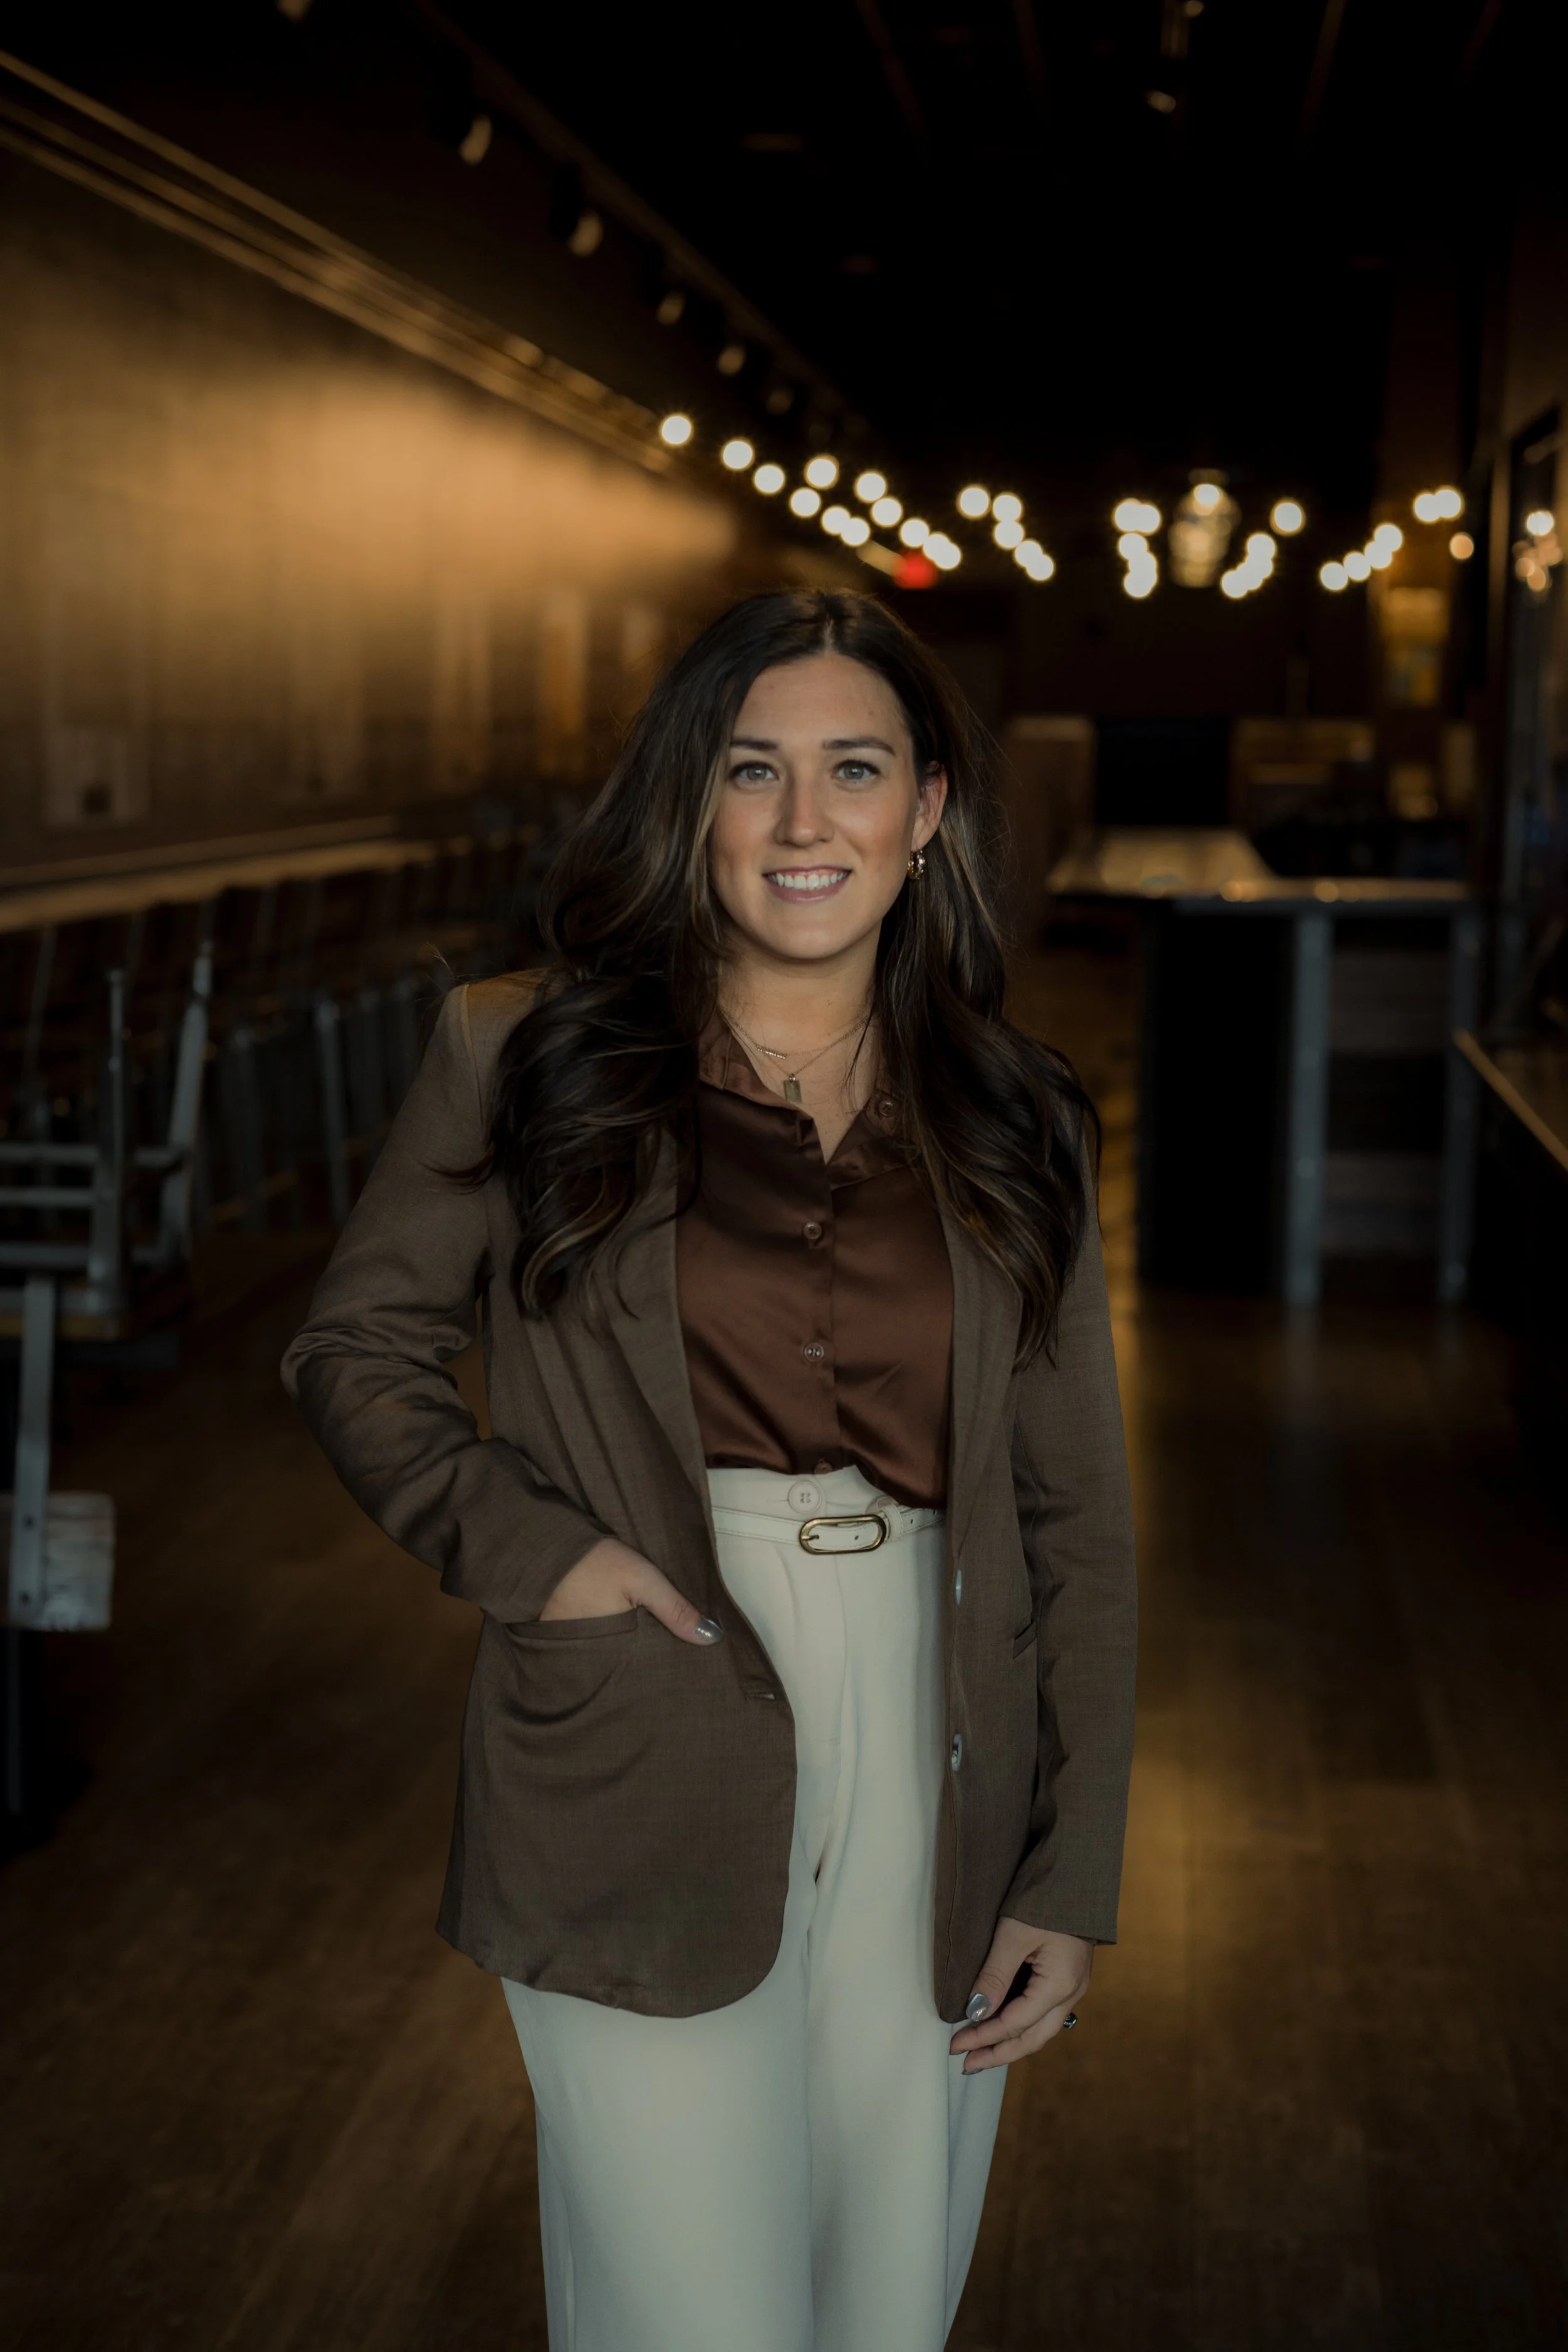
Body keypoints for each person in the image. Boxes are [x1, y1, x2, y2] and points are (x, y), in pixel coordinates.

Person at [282, 588, 1136, 2352]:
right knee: (691, 2314)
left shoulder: (1015, 1115)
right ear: (692, 801)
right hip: (637, 1699)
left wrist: (1074, 1864)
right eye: (753, 771)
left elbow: (1078, 1517)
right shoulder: (523, 1053)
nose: (803, 821)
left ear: (924, 814)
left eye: (853, 770)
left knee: (886, 2296)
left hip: (939, 1717)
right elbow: (352, 1349)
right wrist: (536, 1553)